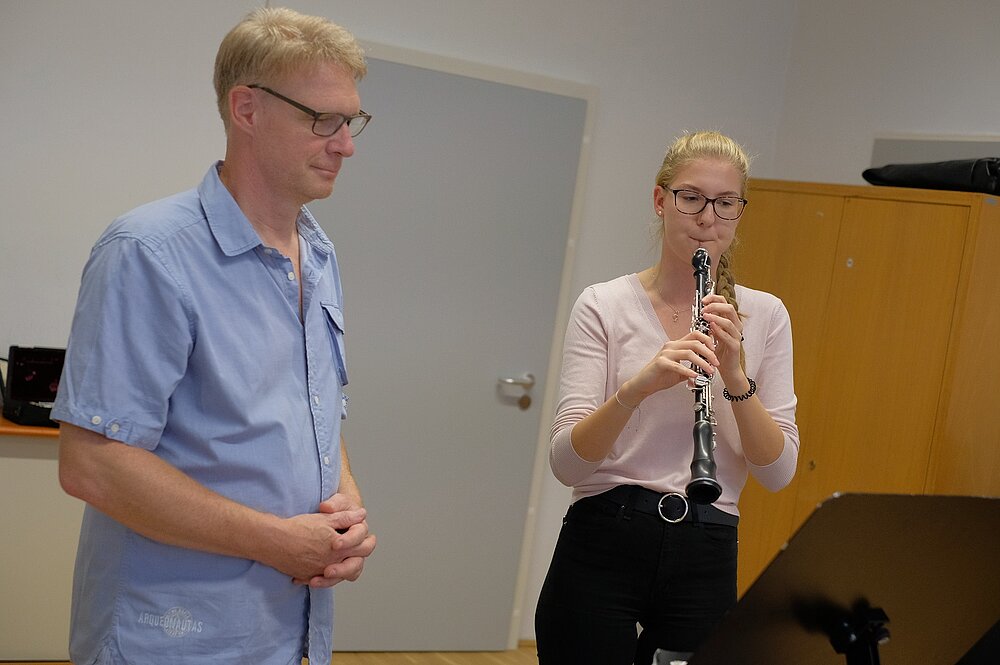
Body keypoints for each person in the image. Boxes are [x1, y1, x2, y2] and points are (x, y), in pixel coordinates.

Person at [52, 7, 376, 664]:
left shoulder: (318, 254)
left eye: (351, 121)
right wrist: (276, 541)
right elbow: (93, 465)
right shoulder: (149, 252)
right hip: (173, 635)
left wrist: (345, 506)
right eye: (324, 120)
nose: (345, 145)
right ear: (246, 108)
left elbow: (311, 409)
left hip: (286, 628)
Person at [534, 131, 799, 664]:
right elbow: (567, 464)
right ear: (661, 200)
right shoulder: (603, 304)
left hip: (707, 545)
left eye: (726, 203)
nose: (707, 218)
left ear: (739, 211)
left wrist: (734, 375)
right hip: (604, 536)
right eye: (691, 198)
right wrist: (638, 388)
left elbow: (777, 472)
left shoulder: (767, 315)